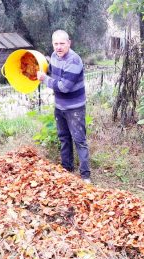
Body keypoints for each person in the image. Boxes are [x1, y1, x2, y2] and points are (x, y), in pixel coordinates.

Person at [37, 30, 91, 183]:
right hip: (60, 106)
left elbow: (64, 87)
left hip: (75, 108)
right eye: (56, 44)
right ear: (52, 44)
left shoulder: (74, 60)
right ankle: (67, 169)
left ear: (69, 43)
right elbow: (52, 73)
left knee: (79, 140)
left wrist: (44, 79)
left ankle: (85, 175)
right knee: (64, 138)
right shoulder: (54, 56)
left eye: (62, 43)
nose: (58, 47)